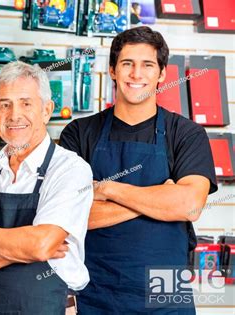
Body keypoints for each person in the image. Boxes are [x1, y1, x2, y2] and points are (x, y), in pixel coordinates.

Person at [60, 26, 217, 314]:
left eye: (147, 65)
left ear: (162, 74)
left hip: (165, 289)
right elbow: (70, 214)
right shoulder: (79, 133)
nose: (136, 74)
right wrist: (160, 200)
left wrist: (106, 189)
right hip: (95, 288)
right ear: (112, 70)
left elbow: (189, 206)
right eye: (127, 64)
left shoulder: (186, 134)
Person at [0, 61, 93, 315]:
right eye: (5, 104)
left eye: (26, 103)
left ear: (46, 110)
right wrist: (28, 249)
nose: (14, 115)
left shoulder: (69, 170)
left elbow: (42, 244)